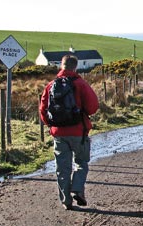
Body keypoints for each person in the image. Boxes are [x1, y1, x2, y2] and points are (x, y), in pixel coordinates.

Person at [39, 55, 99, 210]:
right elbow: (93, 107)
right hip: (79, 131)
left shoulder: (51, 85)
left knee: (62, 168)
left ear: (61, 66)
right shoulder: (80, 84)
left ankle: (66, 201)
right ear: (75, 67)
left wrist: (52, 125)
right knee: (81, 163)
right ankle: (78, 189)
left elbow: (43, 110)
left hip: (59, 133)